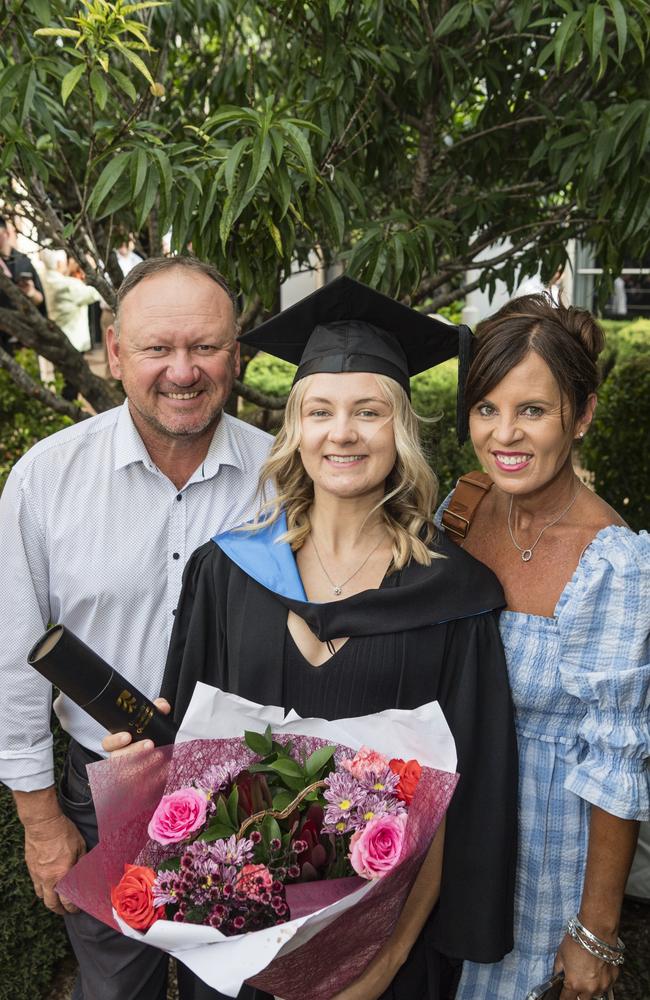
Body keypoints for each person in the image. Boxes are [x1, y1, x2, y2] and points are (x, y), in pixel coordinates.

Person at [105, 276, 518, 1000]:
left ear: (401, 430)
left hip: (385, 956)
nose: (344, 433)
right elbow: (188, 766)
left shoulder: (455, 598)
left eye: (370, 411)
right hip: (238, 948)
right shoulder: (227, 575)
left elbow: (465, 796)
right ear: (296, 429)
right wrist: (142, 757)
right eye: (320, 411)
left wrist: (383, 963)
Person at [0, 255, 273, 1000]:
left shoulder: (285, 478)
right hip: (103, 793)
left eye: (205, 347)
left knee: (239, 989)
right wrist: (42, 822)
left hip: (248, 795)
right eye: (157, 348)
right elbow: (14, 664)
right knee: (116, 991)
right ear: (116, 351)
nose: (182, 371)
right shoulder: (45, 481)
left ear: (236, 352)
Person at [438, 293, 649, 1000]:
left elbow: (617, 759)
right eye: (487, 408)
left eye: (533, 410)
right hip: (448, 830)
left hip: (543, 846)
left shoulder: (611, 563)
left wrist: (595, 931)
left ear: (582, 415)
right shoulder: (461, 511)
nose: (506, 434)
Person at [0, 213, 47, 352]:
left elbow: (40, 300)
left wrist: (31, 293)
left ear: (7, 233)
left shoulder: (24, 262)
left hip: (25, 339)